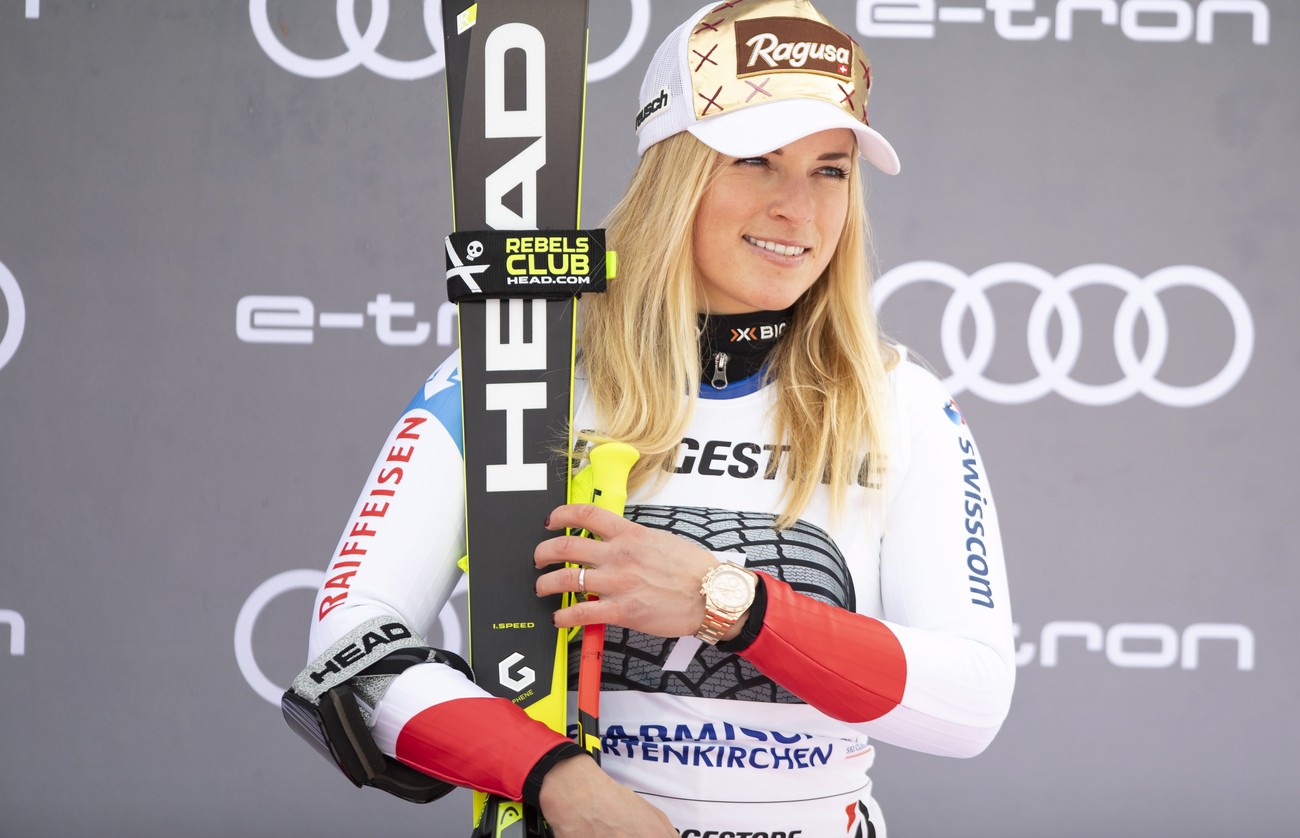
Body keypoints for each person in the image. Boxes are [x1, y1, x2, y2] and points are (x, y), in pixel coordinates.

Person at [294, 1, 1014, 835]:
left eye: (831, 169)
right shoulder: (514, 374)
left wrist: (730, 604)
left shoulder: (901, 404)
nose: (799, 208)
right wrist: (560, 782)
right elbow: (350, 660)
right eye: (755, 159)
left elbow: (971, 703)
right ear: (675, 171)